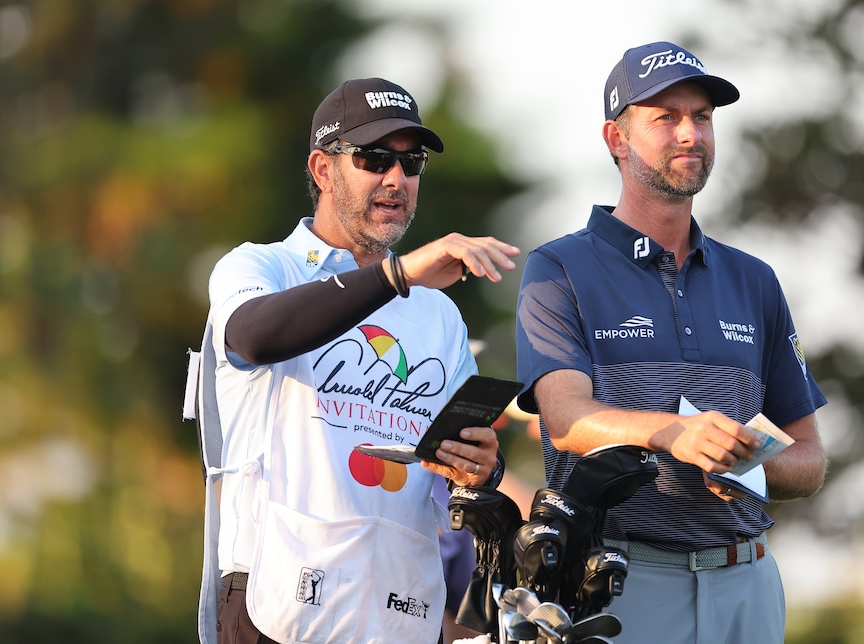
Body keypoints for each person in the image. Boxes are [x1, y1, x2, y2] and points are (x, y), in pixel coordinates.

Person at [514, 42, 828, 643]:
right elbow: (565, 419)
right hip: (622, 583)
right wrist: (675, 433)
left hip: (748, 583)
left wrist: (747, 468)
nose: (691, 133)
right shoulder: (558, 268)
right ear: (616, 138)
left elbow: (810, 460)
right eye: (666, 117)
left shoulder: (754, 279)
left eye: (702, 117)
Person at [195, 77, 519, 644]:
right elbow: (255, 336)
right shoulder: (260, 267)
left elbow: (455, 479)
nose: (396, 178)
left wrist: (479, 468)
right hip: (280, 606)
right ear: (322, 170)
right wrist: (399, 274)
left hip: (402, 611)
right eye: (374, 159)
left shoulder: (440, 314)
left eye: (411, 162)